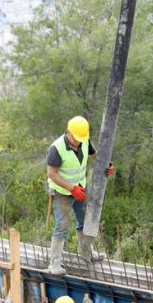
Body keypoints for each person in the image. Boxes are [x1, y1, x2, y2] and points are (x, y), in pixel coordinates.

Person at [46, 115, 114, 274]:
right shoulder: (56, 148)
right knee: (62, 225)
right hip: (62, 191)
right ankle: (54, 263)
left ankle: (87, 254)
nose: (78, 141)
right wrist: (71, 189)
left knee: (85, 220)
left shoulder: (84, 141)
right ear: (68, 132)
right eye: (76, 138)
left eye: (81, 138)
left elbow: (96, 157)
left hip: (80, 188)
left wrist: (107, 165)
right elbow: (52, 174)